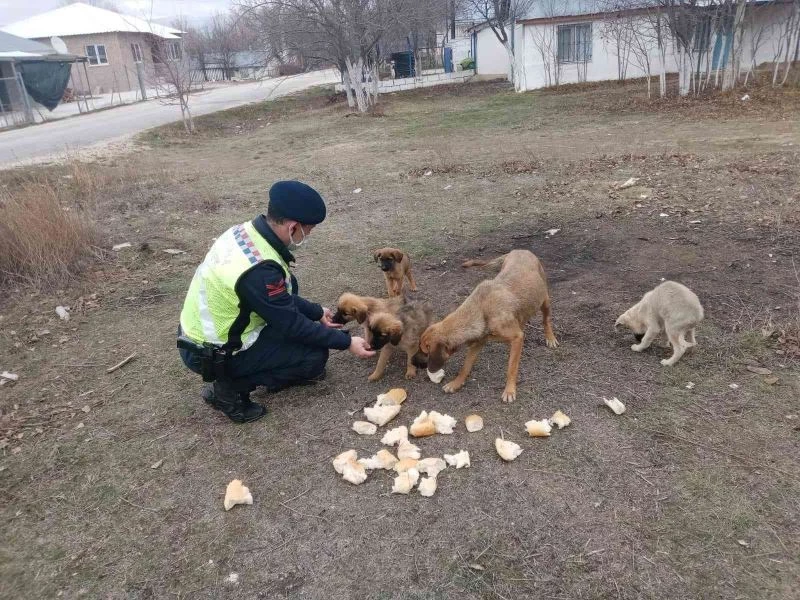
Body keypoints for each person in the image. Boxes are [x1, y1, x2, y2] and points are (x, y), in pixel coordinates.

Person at [177, 180, 375, 423]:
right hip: (214, 350)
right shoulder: (260, 271)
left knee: (293, 295)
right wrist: (346, 342)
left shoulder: (243, 233)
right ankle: (227, 389)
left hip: (205, 332)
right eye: (309, 230)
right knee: (313, 359)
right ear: (293, 227)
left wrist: (315, 312)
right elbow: (291, 323)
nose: (309, 234)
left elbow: (279, 298)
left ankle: (244, 373)